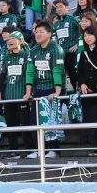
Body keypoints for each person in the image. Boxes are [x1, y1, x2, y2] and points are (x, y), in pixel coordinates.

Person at [25, 20, 65, 158]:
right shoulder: (33, 50)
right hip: (39, 89)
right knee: (34, 120)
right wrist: (28, 92)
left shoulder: (56, 49)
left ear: (49, 34)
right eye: (36, 32)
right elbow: (30, 72)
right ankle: (38, 149)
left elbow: (58, 70)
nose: (37, 34)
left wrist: (57, 92)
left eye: (41, 32)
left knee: (51, 119)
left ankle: (53, 150)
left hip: (52, 88)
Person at [0, 32, 32, 153]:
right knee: (10, 123)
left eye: (13, 38)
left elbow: (29, 74)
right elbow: (2, 75)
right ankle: (13, 149)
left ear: (21, 41)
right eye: (9, 39)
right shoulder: (7, 57)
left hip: (22, 95)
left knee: (25, 123)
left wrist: (29, 91)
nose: (10, 41)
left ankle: (30, 149)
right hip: (9, 95)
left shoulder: (27, 55)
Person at [76, 26, 97, 151]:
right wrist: (82, 84)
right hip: (86, 92)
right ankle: (95, 147)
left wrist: (93, 86)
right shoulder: (84, 53)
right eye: (85, 36)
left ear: (96, 35)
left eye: (90, 35)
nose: (87, 38)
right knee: (90, 118)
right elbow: (80, 71)